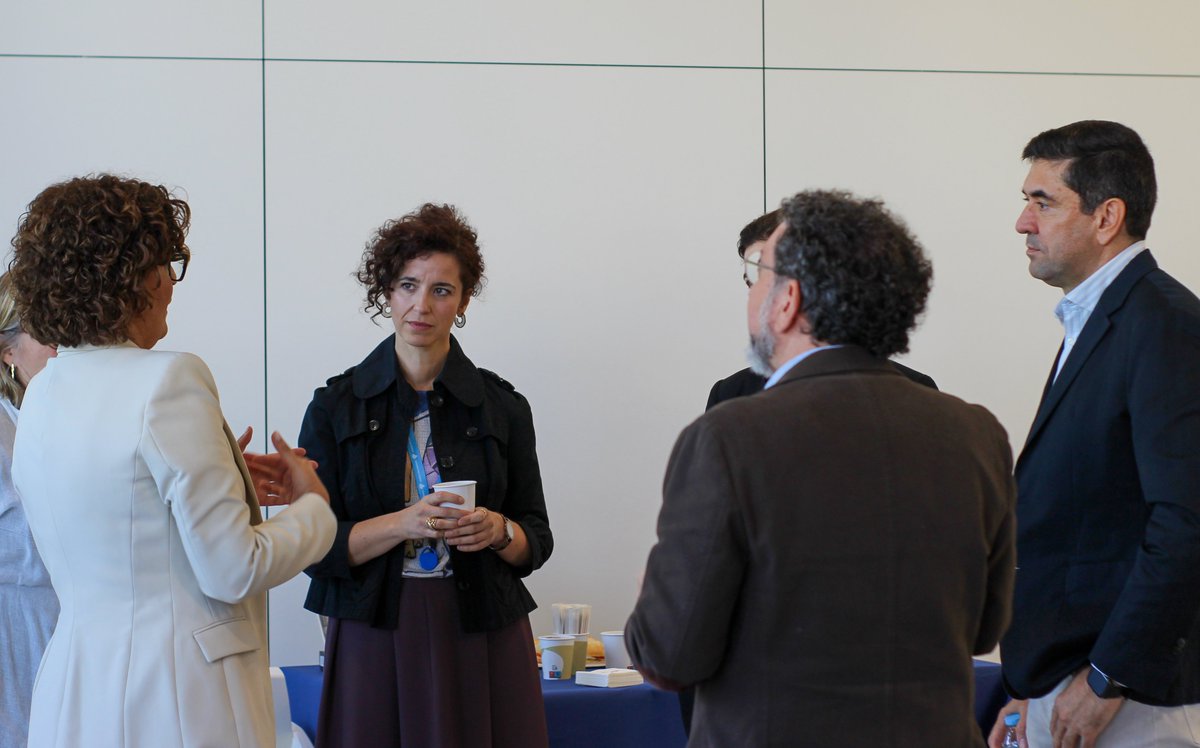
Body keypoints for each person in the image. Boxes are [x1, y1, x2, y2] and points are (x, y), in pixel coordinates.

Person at [626, 189, 1016, 747]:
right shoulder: (977, 434)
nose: (751, 294)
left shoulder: (727, 438)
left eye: (756, 276)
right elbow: (983, 629)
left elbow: (669, 657)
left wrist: (653, 595)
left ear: (788, 300)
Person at [8, 174, 337, 748]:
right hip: (176, 699)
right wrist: (313, 508)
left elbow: (120, 517)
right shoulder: (169, 379)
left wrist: (228, 478)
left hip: (76, 692)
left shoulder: (44, 393)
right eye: (167, 264)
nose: (171, 286)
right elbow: (234, 568)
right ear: (136, 277)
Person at [677, 207, 943, 737]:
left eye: (762, 272)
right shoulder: (730, 398)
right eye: (750, 276)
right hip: (759, 676)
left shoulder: (920, 399)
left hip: (855, 675)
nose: (755, 296)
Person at [301, 203, 554, 748]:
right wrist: (403, 523)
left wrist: (498, 530)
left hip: (481, 622)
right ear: (386, 293)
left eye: (441, 290)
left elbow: (536, 538)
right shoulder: (335, 406)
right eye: (407, 286)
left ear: (463, 301)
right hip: (374, 625)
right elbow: (314, 550)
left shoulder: (503, 407)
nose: (421, 305)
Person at [989, 121, 1200, 748]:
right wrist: (1030, 687)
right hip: (1068, 685)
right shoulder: (1105, 315)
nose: (1023, 223)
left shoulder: (1164, 323)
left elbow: (1186, 520)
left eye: (1043, 202)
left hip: (1125, 703)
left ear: (1107, 217)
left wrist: (1110, 676)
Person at [0, 273, 58, 747]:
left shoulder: (66, 420)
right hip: (18, 636)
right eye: (48, 331)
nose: (65, 345)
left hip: (66, 631)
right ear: (8, 353)